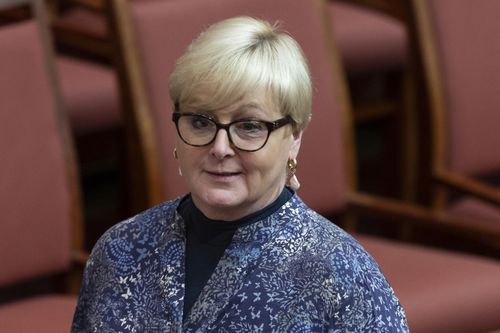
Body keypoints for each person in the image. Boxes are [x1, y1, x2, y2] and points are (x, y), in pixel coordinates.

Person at [72, 16, 408, 332]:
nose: (220, 147)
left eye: (249, 126)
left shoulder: (342, 277)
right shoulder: (120, 250)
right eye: (201, 122)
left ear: (294, 138)